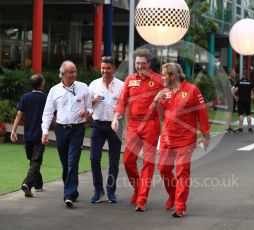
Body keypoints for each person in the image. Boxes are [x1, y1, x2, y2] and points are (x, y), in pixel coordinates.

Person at [152, 62, 210, 218]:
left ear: (172, 76)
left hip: (186, 140)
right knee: (163, 169)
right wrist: (156, 101)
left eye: (164, 75)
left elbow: (202, 113)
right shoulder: (165, 91)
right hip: (167, 138)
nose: (162, 77)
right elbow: (157, 114)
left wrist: (205, 134)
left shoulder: (192, 90)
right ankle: (173, 194)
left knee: (182, 172)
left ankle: (180, 206)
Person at [111, 48, 163, 212]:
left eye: (143, 64)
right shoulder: (130, 79)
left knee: (148, 163)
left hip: (151, 125)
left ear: (149, 64)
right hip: (134, 125)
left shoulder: (158, 80)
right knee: (128, 161)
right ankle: (138, 188)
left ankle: (142, 199)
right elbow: (122, 100)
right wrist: (115, 118)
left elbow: (170, 98)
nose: (139, 66)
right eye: (137, 63)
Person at [41, 60, 92, 208]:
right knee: (65, 164)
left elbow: (90, 106)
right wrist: (44, 131)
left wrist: (87, 111)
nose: (74, 74)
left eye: (75, 71)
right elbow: (48, 112)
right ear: (62, 74)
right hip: (60, 130)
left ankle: (68, 194)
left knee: (72, 162)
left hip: (77, 129)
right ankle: (72, 191)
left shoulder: (83, 87)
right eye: (71, 72)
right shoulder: (54, 90)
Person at [88, 56, 124, 203]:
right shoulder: (94, 85)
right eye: (103, 68)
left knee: (113, 161)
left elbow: (124, 106)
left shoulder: (121, 85)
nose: (105, 71)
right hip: (97, 125)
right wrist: (92, 100)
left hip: (115, 126)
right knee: (94, 158)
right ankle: (98, 190)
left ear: (113, 68)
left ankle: (111, 191)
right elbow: (86, 104)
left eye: (108, 68)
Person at [10, 74, 47, 197]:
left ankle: (38, 184)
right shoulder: (46, 98)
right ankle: (27, 183)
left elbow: (19, 115)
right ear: (41, 84)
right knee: (35, 160)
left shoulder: (25, 97)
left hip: (28, 135)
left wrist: (13, 131)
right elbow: (52, 116)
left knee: (33, 160)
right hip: (41, 134)